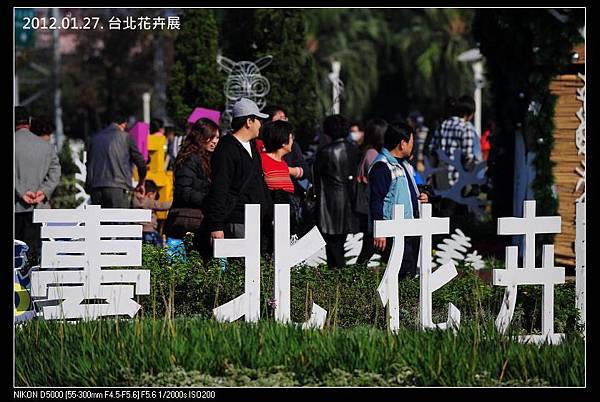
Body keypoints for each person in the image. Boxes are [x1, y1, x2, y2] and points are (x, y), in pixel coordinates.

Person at [194, 98, 271, 261]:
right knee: (240, 270)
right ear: (249, 121)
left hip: (256, 219)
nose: (260, 125)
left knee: (254, 269)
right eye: (258, 120)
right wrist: (216, 225)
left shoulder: (252, 148)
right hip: (237, 219)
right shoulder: (226, 149)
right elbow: (219, 188)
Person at [369, 121, 428, 277]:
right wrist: (380, 230)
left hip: (409, 229)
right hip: (395, 231)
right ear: (402, 144)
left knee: (409, 271)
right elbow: (376, 200)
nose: (412, 147)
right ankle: (399, 301)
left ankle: (406, 300)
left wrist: (419, 197)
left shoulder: (403, 165)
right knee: (400, 273)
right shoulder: (382, 166)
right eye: (411, 142)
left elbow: (404, 191)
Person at [15, 107, 61, 266]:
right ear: (28, 122)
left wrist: (22, 192)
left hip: (16, 205)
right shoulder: (46, 147)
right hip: (37, 206)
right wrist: (43, 191)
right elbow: (55, 172)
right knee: (33, 252)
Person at [164, 118, 220, 250]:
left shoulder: (209, 158)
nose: (214, 141)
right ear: (200, 136)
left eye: (217, 137)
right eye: (210, 137)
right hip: (188, 221)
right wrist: (209, 199)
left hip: (197, 219)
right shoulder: (191, 158)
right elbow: (184, 191)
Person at [314, 114, 360, 268]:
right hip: (349, 201)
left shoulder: (325, 152)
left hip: (329, 203)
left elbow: (316, 176)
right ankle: (340, 278)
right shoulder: (355, 150)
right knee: (340, 244)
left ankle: (338, 278)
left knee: (333, 247)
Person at [427, 96, 480, 218]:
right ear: (469, 113)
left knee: (444, 214)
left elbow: (432, 149)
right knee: (459, 217)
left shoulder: (444, 124)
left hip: (441, 177)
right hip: (457, 179)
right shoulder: (466, 128)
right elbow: (468, 158)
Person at [86, 112, 147, 208]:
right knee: (118, 220)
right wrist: (141, 182)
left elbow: (88, 164)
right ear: (123, 124)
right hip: (117, 187)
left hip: (96, 187)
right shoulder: (126, 137)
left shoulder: (94, 139)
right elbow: (141, 162)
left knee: (99, 222)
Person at [259, 120, 302, 243]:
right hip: (270, 227)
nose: (292, 141)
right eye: (290, 137)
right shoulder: (262, 161)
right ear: (283, 141)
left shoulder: (283, 163)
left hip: (287, 224)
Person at [355, 118, 388, 265]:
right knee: (369, 248)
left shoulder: (370, 152)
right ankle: (354, 278)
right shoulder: (372, 154)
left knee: (369, 248)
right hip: (371, 207)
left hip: (371, 207)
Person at [133, 180, 172, 246]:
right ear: (150, 194)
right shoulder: (148, 202)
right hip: (149, 232)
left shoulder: (134, 201)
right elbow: (162, 205)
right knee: (159, 243)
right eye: (155, 196)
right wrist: (175, 202)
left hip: (137, 232)